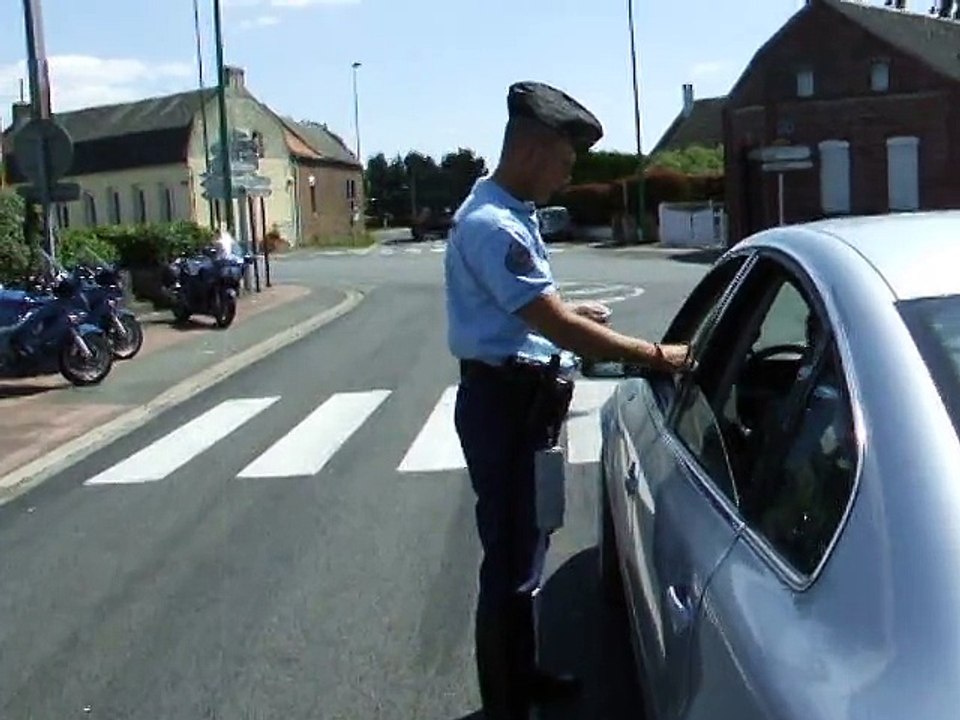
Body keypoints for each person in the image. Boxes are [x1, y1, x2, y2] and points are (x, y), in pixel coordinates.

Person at [444, 80, 691, 720]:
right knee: (511, 565)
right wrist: (656, 355)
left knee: (526, 550)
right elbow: (551, 323)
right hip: (505, 406)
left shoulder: (501, 208)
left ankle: (521, 678)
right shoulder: (494, 225)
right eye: (563, 162)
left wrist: (560, 312)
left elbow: (523, 311)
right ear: (531, 149)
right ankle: (507, 703)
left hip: (515, 401)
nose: (566, 176)